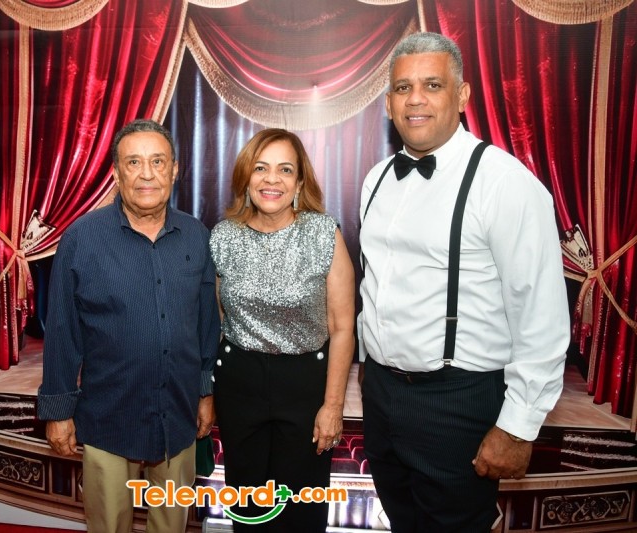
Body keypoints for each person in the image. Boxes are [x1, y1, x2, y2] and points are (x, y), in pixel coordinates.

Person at [357, 32, 570, 532]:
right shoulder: (377, 179)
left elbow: (540, 316)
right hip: (383, 396)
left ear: (462, 95)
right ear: (388, 103)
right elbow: (377, 286)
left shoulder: (505, 183)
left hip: (458, 402)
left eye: (432, 85)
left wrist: (517, 427)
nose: (415, 99)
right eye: (403, 88)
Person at [37, 119, 220, 533]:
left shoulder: (196, 236)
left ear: (174, 170)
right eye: (133, 162)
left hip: (177, 415)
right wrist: (59, 411)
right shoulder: (81, 239)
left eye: (158, 161)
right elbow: (62, 332)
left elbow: (206, 324)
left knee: (172, 525)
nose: (146, 174)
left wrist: (205, 391)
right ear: (117, 173)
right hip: (108, 418)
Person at [209, 128, 355, 532]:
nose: (271, 179)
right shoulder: (223, 237)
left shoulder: (323, 233)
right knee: (248, 507)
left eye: (285, 170)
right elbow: (218, 320)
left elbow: (343, 327)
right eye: (261, 168)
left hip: (305, 386)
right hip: (239, 384)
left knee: (301, 510)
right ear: (246, 178)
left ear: (299, 182)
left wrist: (333, 406)